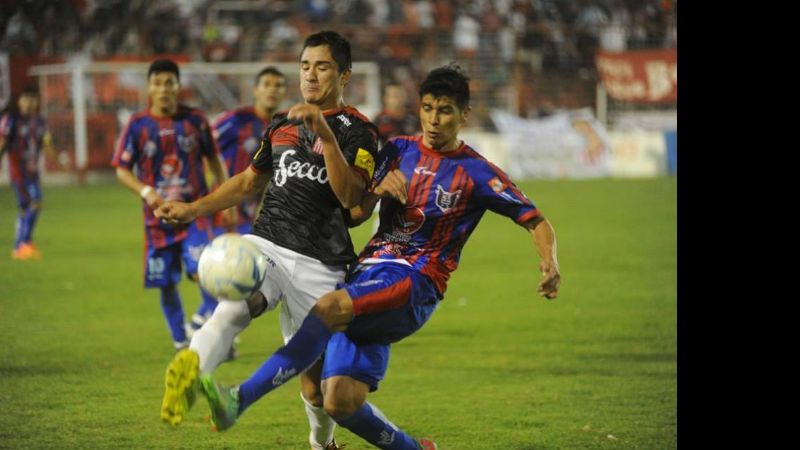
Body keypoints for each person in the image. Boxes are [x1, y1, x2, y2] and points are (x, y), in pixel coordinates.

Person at [195, 64, 562, 450]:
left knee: (327, 308)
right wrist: (377, 191)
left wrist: (550, 262)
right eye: (428, 108)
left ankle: (238, 400)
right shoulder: (398, 150)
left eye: (445, 111)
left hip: (415, 279)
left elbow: (534, 219)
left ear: (464, 114)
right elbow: (355, 213)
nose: (433, 120)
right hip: (365, 275)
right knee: (336, 400)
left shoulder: (476, 172)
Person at [155, 31, 379, 450]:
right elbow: (247, 183)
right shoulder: (281, 124)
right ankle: (192, 369)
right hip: (269, 243)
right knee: (235, 305)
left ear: (344, 75)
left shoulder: (359, 132)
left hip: (321, 264)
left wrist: (325, 135)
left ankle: (321, 444)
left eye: (322, 67)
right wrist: (192, 208)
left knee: (315, 387)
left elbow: (351, 198)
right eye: (305, 66)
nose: (310, 75)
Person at [111, 59, 235, 352]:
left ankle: (215, 334)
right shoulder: (138, 125)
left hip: (194, 214)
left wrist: (226, 198)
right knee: (166, 283)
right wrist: (146, 192)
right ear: (149, 87)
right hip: (158, 220)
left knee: (204, 272)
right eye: (158, 83)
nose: (164, 89)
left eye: (170, 83)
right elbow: (121, 169)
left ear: (179, 86)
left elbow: (214, 159)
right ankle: (181, 341)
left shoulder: (195, 120)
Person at [195, 67, 287, 334]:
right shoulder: (235, 120)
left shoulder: (283, 125)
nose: (272, 89)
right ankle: (204, 325)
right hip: (223, 208)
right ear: (255, 90)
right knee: (222, 268)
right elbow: (204, 150)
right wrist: (211, 191)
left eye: (278, 85)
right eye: (267, 84)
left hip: (250, 212)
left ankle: (207, 327)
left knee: (241, 271)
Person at [0, 85, 64, 260]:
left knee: (25, 208)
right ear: (19, 101)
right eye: (26, 98)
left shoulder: (40, 121)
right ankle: (23, 243)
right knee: (35, 202)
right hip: (18, 171)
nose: (30, 102)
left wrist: (58, 161)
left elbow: (46, 144)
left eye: (33, 98)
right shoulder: (11, 120)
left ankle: (20, 246)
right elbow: (2, 143)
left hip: (33, 172)